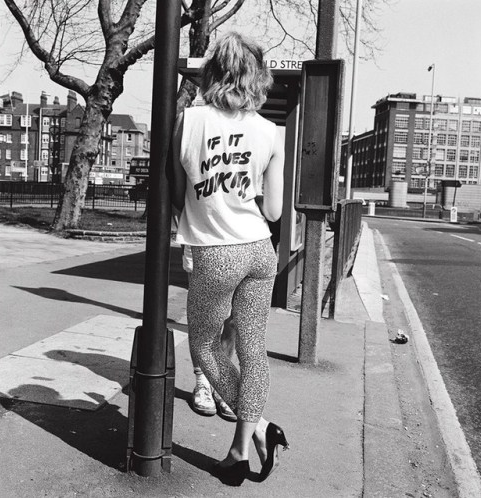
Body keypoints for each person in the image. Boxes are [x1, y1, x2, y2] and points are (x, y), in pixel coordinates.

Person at [171, 32, 289, 486]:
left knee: (204, 345)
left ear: (213, 73)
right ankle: (243, 447)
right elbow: (275, 211)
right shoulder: (269, 131)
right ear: (257, 77)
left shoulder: (191, 119)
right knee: (252, 349)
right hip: (261, 249)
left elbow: (172, 185)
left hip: (216, 251)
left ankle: (258, 427)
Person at [182, 244, 237, 422]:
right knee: (202, 317)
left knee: (234, 317)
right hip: (202, 239)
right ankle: (202, 381)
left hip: (242, 241)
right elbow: (178, 215)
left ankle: (222, 382)